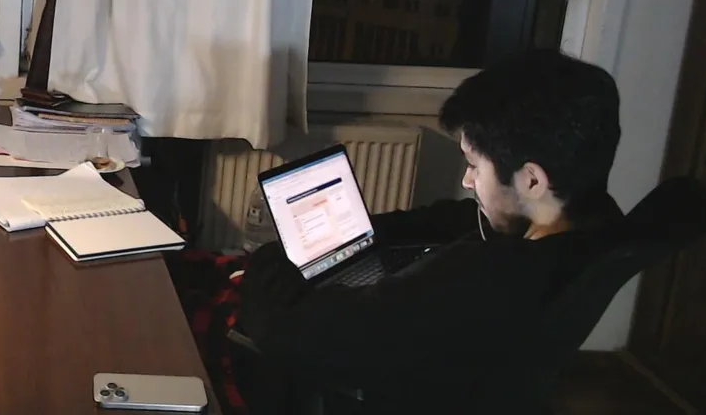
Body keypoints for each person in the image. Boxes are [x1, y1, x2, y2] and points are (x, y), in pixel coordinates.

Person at [230, 49, 626, 413]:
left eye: (475, 166)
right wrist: (363, 233)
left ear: (532, 181)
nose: (468, 181)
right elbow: (456, 217)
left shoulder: (482, 277)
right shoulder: (597, 227)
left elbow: (289, 331)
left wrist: (270, 256)